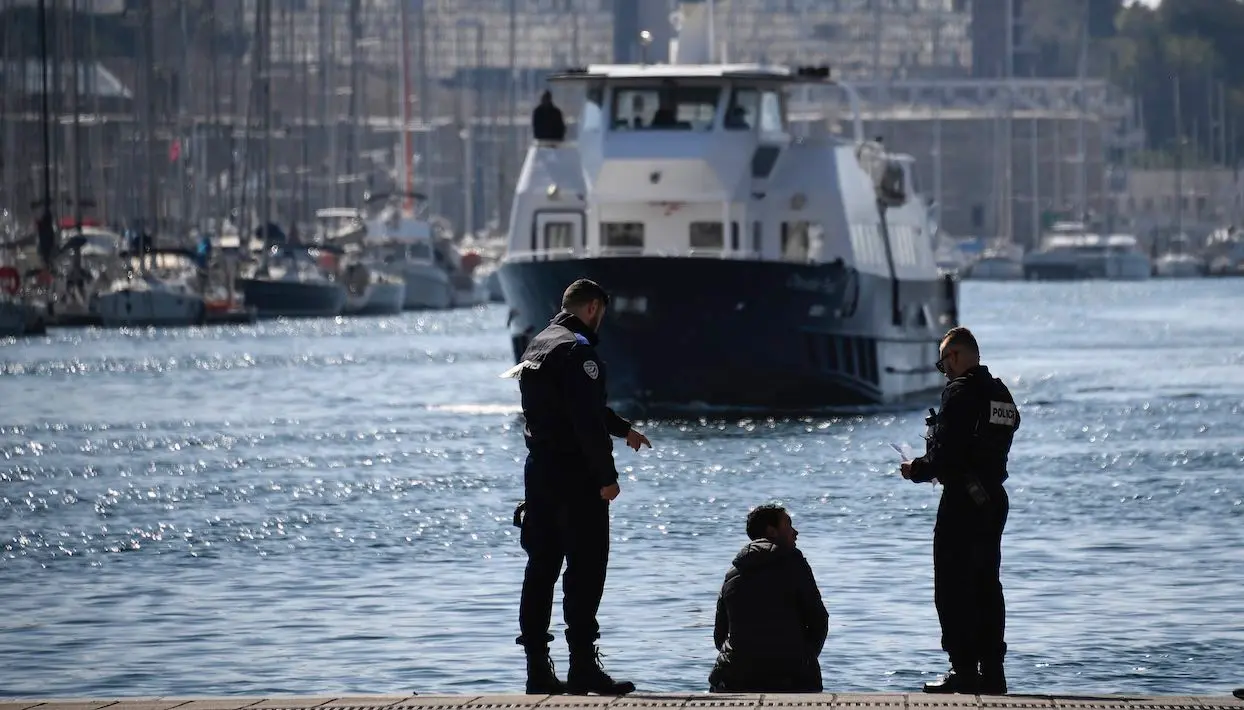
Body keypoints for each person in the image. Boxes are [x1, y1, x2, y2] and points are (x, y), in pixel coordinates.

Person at [509, 278, 650, 695]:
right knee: (586, 570)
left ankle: (537, 669)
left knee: (541, 569)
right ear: (592, 308)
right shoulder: (579, 351)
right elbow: (586, 422)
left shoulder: (539, 344)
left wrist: (623, 429)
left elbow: (572, 408)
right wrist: (607, 478)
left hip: (540, 473)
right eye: (600, 312)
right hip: (576, 477)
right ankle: (583, 668)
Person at [900, 326, 1020, 695]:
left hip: (963, 502)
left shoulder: (960, 392)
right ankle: (993, 672)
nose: (944, 371)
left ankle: (964, 670)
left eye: (943, 363)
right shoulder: (1000, 393)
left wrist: (916, 469)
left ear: (955, 356)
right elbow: (1007, 429)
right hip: (993, 498)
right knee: (986, 585)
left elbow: (946, 453)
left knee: (952, 587)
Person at [708, 504, 829, 693]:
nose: (795, 532)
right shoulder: (794, 563)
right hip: (793, 677)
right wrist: (804, 659)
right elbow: (819, 620)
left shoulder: (733, 572)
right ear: (771, 531)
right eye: (789, 525)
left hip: (733, 677)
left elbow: (720, 636)